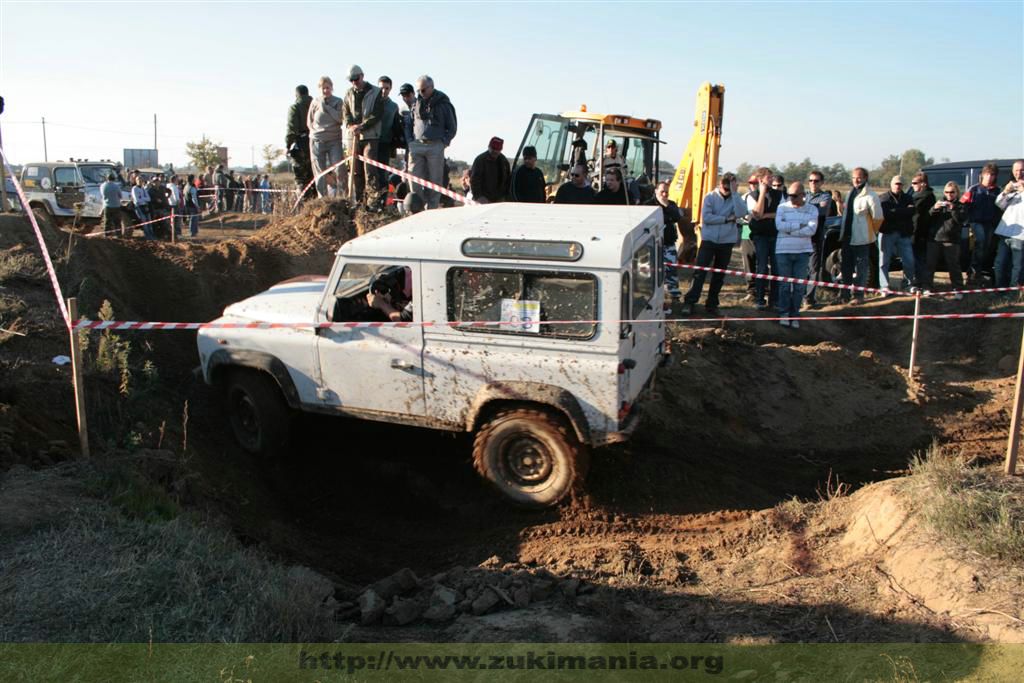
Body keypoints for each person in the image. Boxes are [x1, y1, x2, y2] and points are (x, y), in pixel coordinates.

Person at [679, 173, 746, 316]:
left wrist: (734, 194)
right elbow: (707, 218)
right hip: (708, 240)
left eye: (730, 186)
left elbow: (742, 213)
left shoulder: (736, 198)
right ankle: (690, 301)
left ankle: (712, 304)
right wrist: (727, 219)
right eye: (724, 185)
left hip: (726, 242)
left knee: (719, 274)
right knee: (700, 272)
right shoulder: (710, 197)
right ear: (719, 184)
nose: (726, 188)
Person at [342, 65, 387, 208]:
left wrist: (362, 126)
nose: (354, 82)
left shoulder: (375, 92)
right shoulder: (348, 93)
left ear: (362, 76)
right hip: (353, 137)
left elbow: (377, 114)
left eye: (356, 79)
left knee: (370, 170)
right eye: (351, 80)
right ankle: (360, 203)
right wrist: (350, 126)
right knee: (356, 172)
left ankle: (373, 203)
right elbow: (346, 112)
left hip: (370, 136)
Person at [409, 75, 457, 209]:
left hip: (435, 145)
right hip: (417, 144)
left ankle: (432, 208)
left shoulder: (444, 103)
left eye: (423, 90)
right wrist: (410, 141)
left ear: (432, 87)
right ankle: (416, 207)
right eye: (418, 90)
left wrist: (443, 142)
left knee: (435, 180)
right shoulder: (416, 103)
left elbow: (452, 127)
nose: (420, 93)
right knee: (414, 178)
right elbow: (410, 122)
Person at [775, 182, 818, 328]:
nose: (791, 198)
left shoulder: (812, 209)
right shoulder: (782, 207)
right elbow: (779, 226)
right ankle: (784, 313)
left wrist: (790, 229)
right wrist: (800, 225)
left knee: (799, 286)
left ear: (803, 195)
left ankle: (795, 314)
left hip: (802, 252)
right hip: (783, 251)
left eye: (794, 196)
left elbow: (811, 230)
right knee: (784, 285)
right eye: (789, 195)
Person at [837, 167, 883, 305]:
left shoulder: (871, 195)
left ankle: (858, 295)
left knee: (861, 268)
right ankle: (844, 295)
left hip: (862, 239)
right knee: (846, 268)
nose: (856, 180)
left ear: (865, 178)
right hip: (847, 237)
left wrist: (869, 233)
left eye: (859, 177)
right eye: (853, 177)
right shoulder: (850, 193)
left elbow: (878, 218)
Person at [961, 162, 1003, 283]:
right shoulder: (974, 189)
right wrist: (966, 221)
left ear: (995, 176)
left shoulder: (998, 191)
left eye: (992, 175)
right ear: (983, 175)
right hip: (975, 222)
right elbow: (963, 205)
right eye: (987, 174)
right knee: (981, 242)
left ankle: (975, 272)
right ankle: (973, 273)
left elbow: (1000, 208)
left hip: (990, 224)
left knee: (985, 248)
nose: (989, 177)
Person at [925, 182, 967, 298]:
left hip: (952, 240)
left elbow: (961, 220)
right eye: (947, 192)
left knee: (954, 266)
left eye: (952, 192)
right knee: (930, 265)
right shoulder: (939, 203)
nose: (949, 195)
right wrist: (934, 208)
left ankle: (957, 288)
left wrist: (953, 209)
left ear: (956, 193)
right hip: (935, 238)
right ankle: (928, 287)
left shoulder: (960, 206)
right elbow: (928, 217)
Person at [749, 167, 783, 310]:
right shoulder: (752, 195)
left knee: (776, 268)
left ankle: (774, 300)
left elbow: (781, 213)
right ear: (761, 179)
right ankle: (759, 298)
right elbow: (756, 213)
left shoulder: (779, 194)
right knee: (762, 266)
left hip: (775, 235)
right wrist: (762, 193)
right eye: (768, 177)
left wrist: (765, 215)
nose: (771, 179)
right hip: (760, 236)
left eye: (772, 176)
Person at [307, 75, 345, 199]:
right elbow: (309, 121)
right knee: (320, 172)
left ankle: (342, 196)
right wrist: (314, 132)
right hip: (317, 140)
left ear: (332, 88)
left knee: (339, 169)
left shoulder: (338, 101)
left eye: (328, 88)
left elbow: (340, 118)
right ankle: (322, 199)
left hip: (334, 140)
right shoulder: (314, 102)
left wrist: (326, 107)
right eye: (323, 88)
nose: (325, 90)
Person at [877, 175, 917, 292]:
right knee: (884, 261)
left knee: (909, 260)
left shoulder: (908, 198)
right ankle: (884, 286)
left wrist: (895, 211)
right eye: (896, 184)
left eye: (900, 184)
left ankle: (908, 284)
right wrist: (903, 211)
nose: (898, 186)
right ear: (891, 184)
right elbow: (886, 214)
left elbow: (912, 212)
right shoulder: (883, 198)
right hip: (887, 233)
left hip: (904, 233)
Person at [803, 170, 837, 307]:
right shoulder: (803, 194)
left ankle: (809, 299)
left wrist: (803, 207)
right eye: (811, 180)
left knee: (814, 268)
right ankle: (799, 296)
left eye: (816, 181)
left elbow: (820, 211)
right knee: (801, 268)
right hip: (800, 237)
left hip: (815, 238)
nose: (813, 183)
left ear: (822, 182)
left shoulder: (825, 197)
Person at [993, 160, 1024, 288]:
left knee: (1017, 266)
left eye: (1021, 170)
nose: (1019, 173)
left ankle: (1014, 293)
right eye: (1016, 170)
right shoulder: (1013, 187)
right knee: (999, 263)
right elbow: (999, 204)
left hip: (1021, 235)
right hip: (1004, 232)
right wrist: (1005, 192)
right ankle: (999, 289)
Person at [652, 181, 683, 302]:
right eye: (662, 192)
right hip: (652, 244)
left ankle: (673, 295)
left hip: (668, 243)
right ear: (656, 191)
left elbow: (677, 217)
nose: (664, 194)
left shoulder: (672, 205)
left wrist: (667, 206)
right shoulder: (649, 205)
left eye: (666, 192)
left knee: (671, 270)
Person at [286, 84, 315, 200]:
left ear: (297, 95)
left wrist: (288, 145)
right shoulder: (316, 105)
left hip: (301, 144)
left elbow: (292, 129)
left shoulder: (295, 107)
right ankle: (314, 205)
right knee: (313, 177)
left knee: (301, 179)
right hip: (315, 142)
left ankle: (304, 206)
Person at [375, 76, 401, 200]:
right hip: (370, 143)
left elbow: (396, 127)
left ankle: (384, 202)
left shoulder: (393, 106)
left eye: (387, 88)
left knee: (383, 175)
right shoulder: (371, 103)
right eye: (381, 88)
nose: (384, 91)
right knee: (370, 174)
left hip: (385, 143)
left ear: (390, 89)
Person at [910, 172, 935, 287]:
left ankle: (919, 283)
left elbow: (918, 218)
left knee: (919, 260)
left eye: (915, 183)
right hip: (918, 233)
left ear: (923, 184)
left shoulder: (924, 197)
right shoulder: (921, 196)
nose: (912, 185)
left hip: (920, 234)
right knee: (918, 259)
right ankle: (919, 282)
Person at [470, 136, 511, 203]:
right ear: (489, 146)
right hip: (483, 199)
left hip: (499, 199)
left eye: (497, 149)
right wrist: (479, 196)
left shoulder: (504, 162)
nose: (495, 151)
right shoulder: (480, 160)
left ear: (501, 149)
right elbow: (474, 180)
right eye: (493, 148)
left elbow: (507, 180)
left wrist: (505, 197)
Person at [99, 172, 122, 237]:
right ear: (114, 179)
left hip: (107, 206)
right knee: (117, 222)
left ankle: (107, 235)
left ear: (107, 178)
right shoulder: (116, 186)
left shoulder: (103, 186)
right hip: (116, 206)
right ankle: (118, 235)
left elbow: (102, 195)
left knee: (107, 222)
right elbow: (120, 196)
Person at [184, 173, 200, 237]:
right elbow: (194, 198)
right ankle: (192, 233)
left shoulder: (186, 186)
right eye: (194, 178)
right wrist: (197, 206)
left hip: (188, 205)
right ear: (192, 179)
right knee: (193, 219)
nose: (195, 179)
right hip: (192, 206)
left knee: (192, 219)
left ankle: (193, 232)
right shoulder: (192, 187)